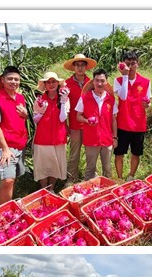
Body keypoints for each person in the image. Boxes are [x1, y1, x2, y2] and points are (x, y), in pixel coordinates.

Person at [0, 65, 28, 205]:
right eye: (10, 78)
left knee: (13, 177)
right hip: (7, 146)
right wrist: (4, 149)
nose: (13, 82)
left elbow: (22, 117)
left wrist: (26, 115)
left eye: (16, 79)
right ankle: (2, 212)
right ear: (3, 80)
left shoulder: (20, 98)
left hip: (20, 143)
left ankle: (8, 205)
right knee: (7, 179)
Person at [113, 51, 151, 182]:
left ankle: (131, 176)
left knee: (136, 153)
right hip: (122, 123)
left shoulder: (146, 82)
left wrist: (147, 105)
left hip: (139, 124)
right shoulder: (118, 80)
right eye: (127, 64)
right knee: (119, 153)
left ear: (137, 64)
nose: (130, 67)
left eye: (133, 64)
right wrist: (124, 76)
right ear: (123, 65)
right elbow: (122, 97)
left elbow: (148, 101)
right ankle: (119, 178)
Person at [75, 68, 118, 180]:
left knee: (107, 168)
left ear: (106, 82)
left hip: (107, 139)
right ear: (93, 82)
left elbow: (114, 119)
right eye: (97, 80)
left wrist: (115, 137)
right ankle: (88, 193)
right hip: (91, 139)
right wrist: (87, 120)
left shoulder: (111, 99)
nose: (99, 83)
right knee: (90, 169)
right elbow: (78, 116)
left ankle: (107, 192)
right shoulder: (85, 98)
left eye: (102, 81)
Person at [32, 72, 70, 190]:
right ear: (45, 84)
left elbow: (63, 118)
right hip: (42, 138)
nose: (51, 84)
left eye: (53, 81)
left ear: (58, 84)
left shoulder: (64, 99)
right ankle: (44, 189)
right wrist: (41, 112)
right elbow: (35, 120)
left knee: (56, 165)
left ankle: (51, 188)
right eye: (48, 82)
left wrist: (63, 102)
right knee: (42, 166)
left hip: (58, 137)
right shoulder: (40, 99)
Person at [63, 53, 97, 185]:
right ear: (74, 67)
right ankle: (71, 177)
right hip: (74, 124)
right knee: (74, 153)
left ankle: (91, 175)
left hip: (90, 124)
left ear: (86, 67)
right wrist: (65, 125)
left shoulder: (92, 83)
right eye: (77, 65)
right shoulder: (67, 84)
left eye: (82, 65)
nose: (80, 68)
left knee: (92, 153)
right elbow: (63, 106)